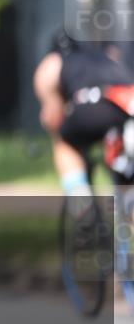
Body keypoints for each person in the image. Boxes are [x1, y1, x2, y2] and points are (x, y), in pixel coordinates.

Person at [33, 29, 134, 200]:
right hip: (127, 106)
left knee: (64, 143)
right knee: (127, 179)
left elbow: (54, 118)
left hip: (91, 107)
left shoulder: (53, 61)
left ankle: (81, 206)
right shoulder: (107, 55)